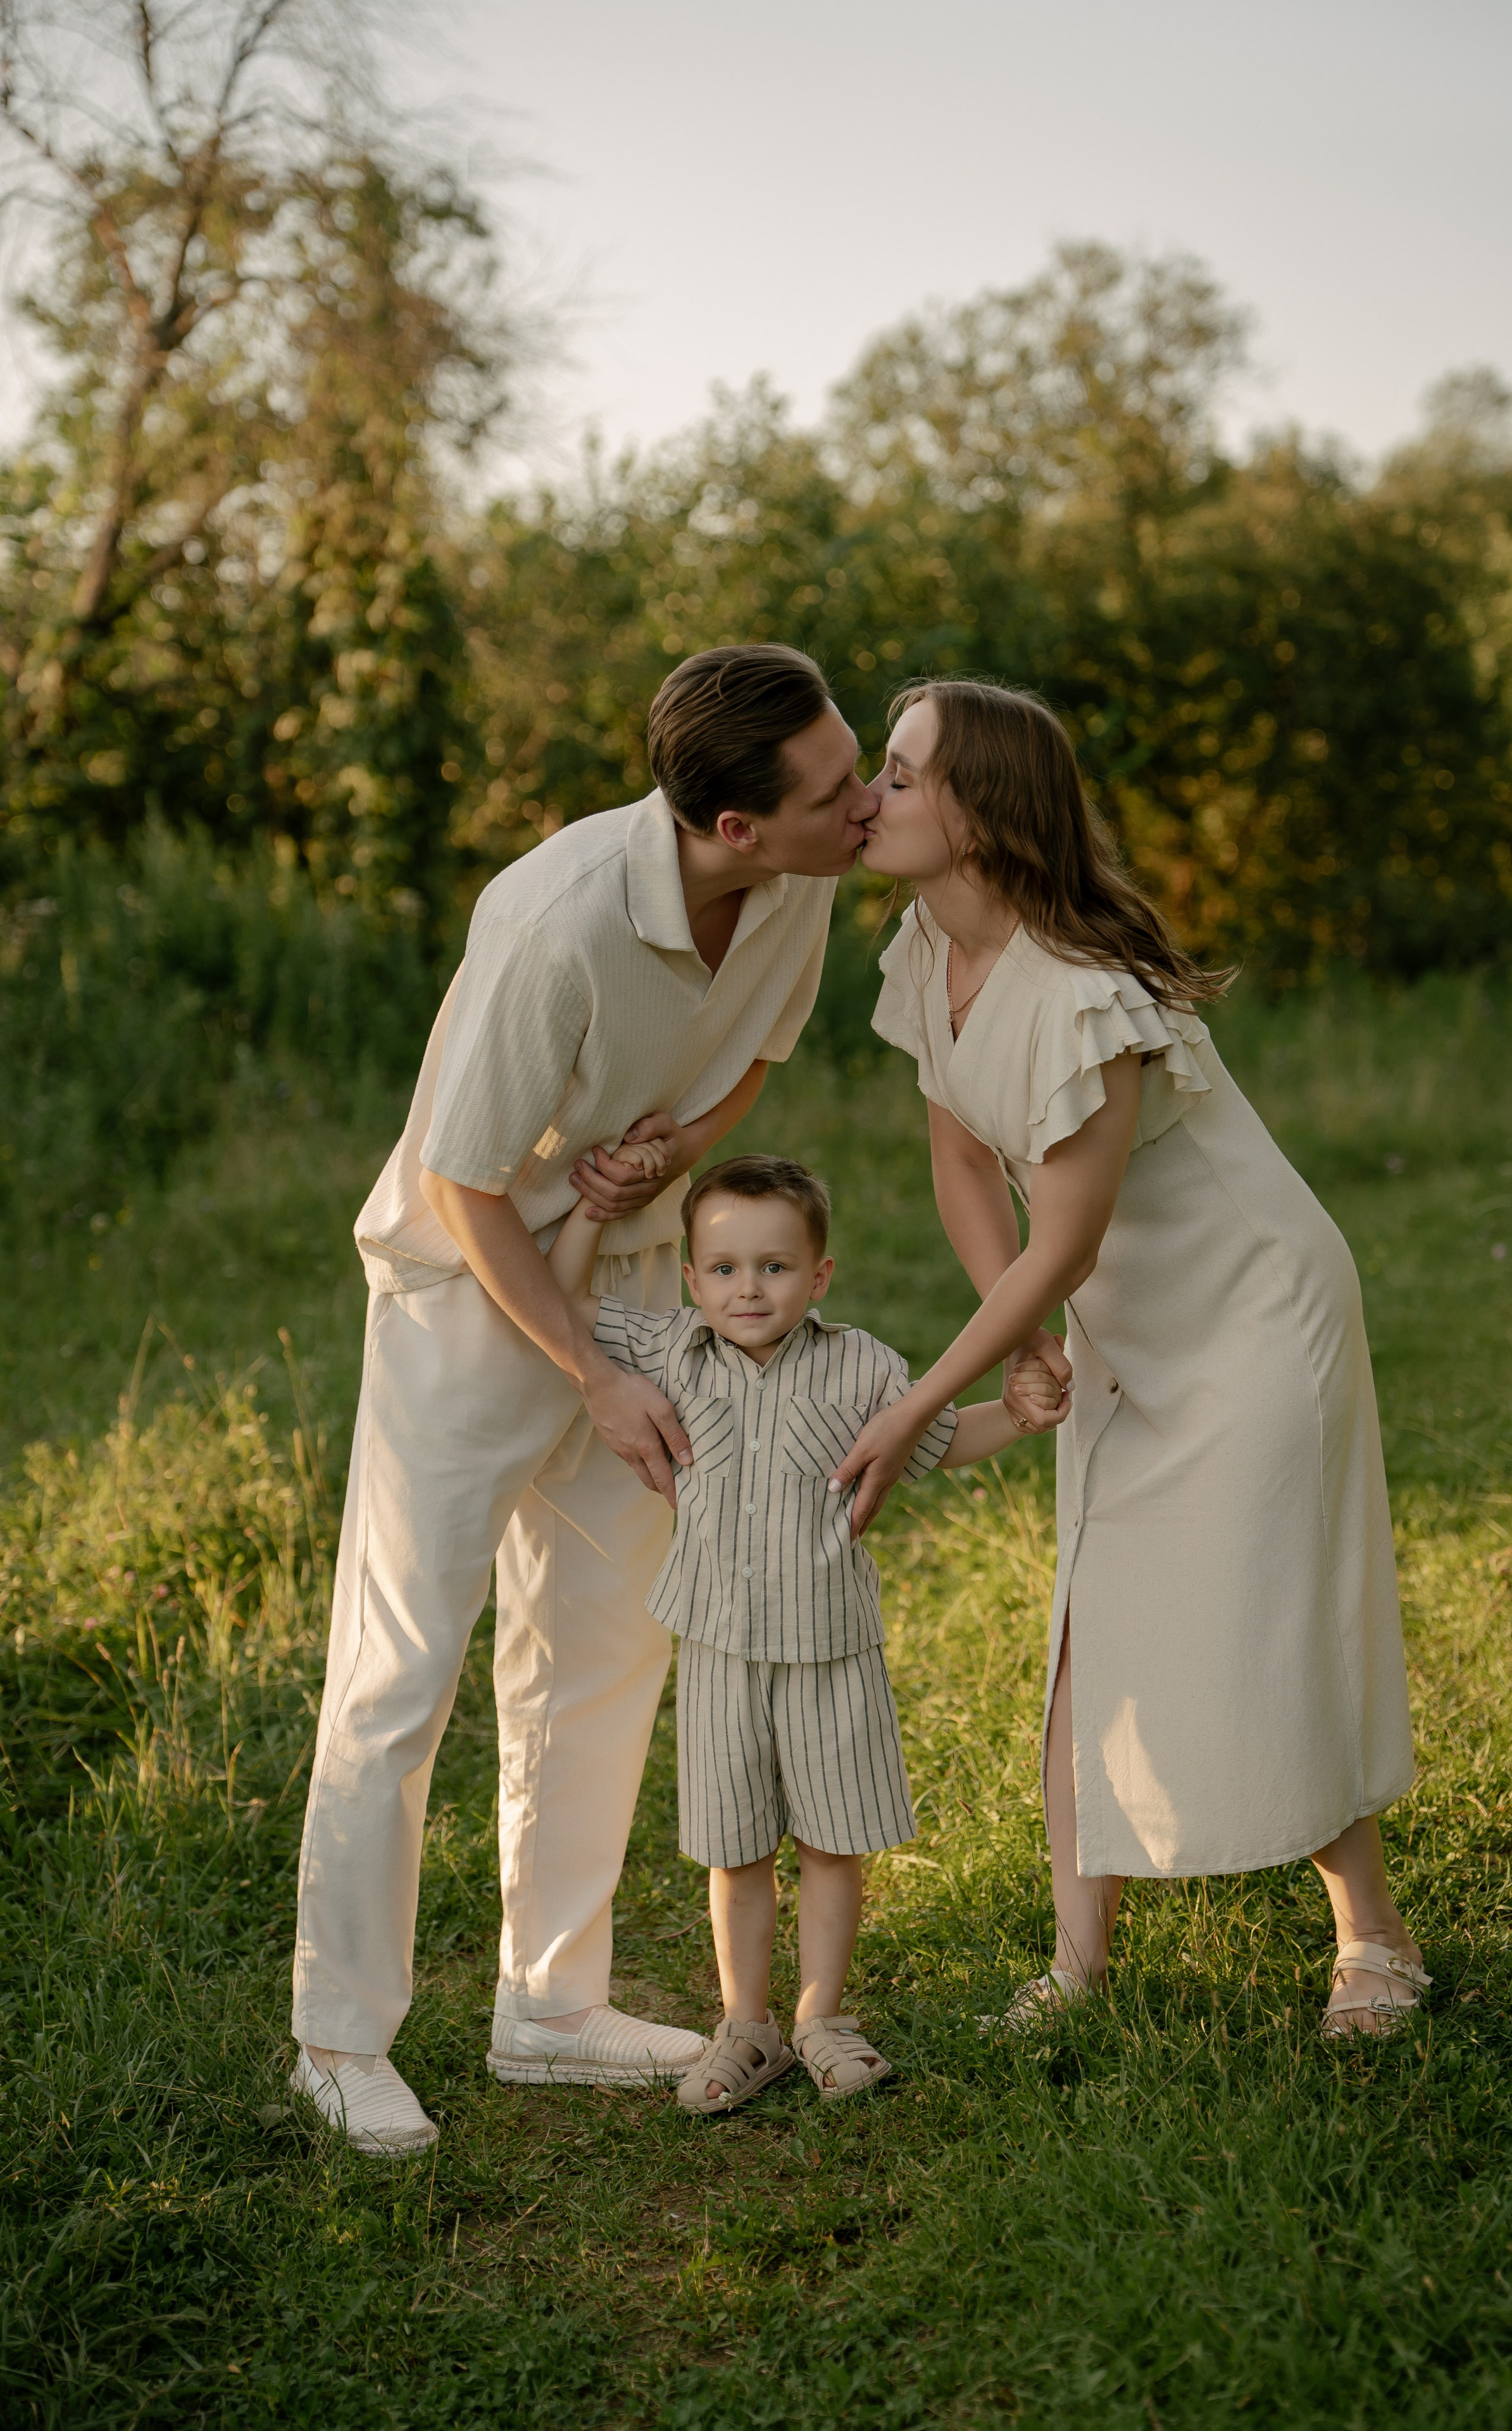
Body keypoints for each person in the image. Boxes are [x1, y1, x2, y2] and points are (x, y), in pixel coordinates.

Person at [290, 645, 880, 2156]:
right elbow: (463, 1186)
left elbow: (750, 1060)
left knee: (603, 1652)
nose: (864, 801)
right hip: (465, 1297)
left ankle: (549, 2008)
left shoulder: (802, 875)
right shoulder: (555, 925)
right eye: (832, 788)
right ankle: (336, 2039)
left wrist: (670, 1153)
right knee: (401, 1668)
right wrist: (599, 1377)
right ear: (732, 824)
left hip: (629, 1278)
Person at [835, 679, 1428, 2039]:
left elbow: (1064, 1236)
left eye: (905, 774)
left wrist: (927, 1400)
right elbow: (961, 1164)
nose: (873, 796)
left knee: (1260, 1610)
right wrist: (1031, 1337)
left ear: (979, 816)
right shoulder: (926, 951)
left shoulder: (1085, 996)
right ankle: (1076, 1966)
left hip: (1251, 1317)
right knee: (1087, 1622)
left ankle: (1372, 1945)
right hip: (1117, 1315)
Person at [543, 1152, 1066, 2111]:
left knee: (832, 1841)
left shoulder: (862, 1366)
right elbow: (562, 1303)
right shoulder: (670, 1350)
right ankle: (747, 2027)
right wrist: (589, 1210)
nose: (751, 1289)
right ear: (693, 1279)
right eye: (728, 1269)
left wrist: (1021, 1417)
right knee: (735, 1848)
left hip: (830, 1646)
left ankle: (822, 2017)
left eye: (776, 1267)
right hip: (717, 1648)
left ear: (819, 1277)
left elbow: (941, 1443)